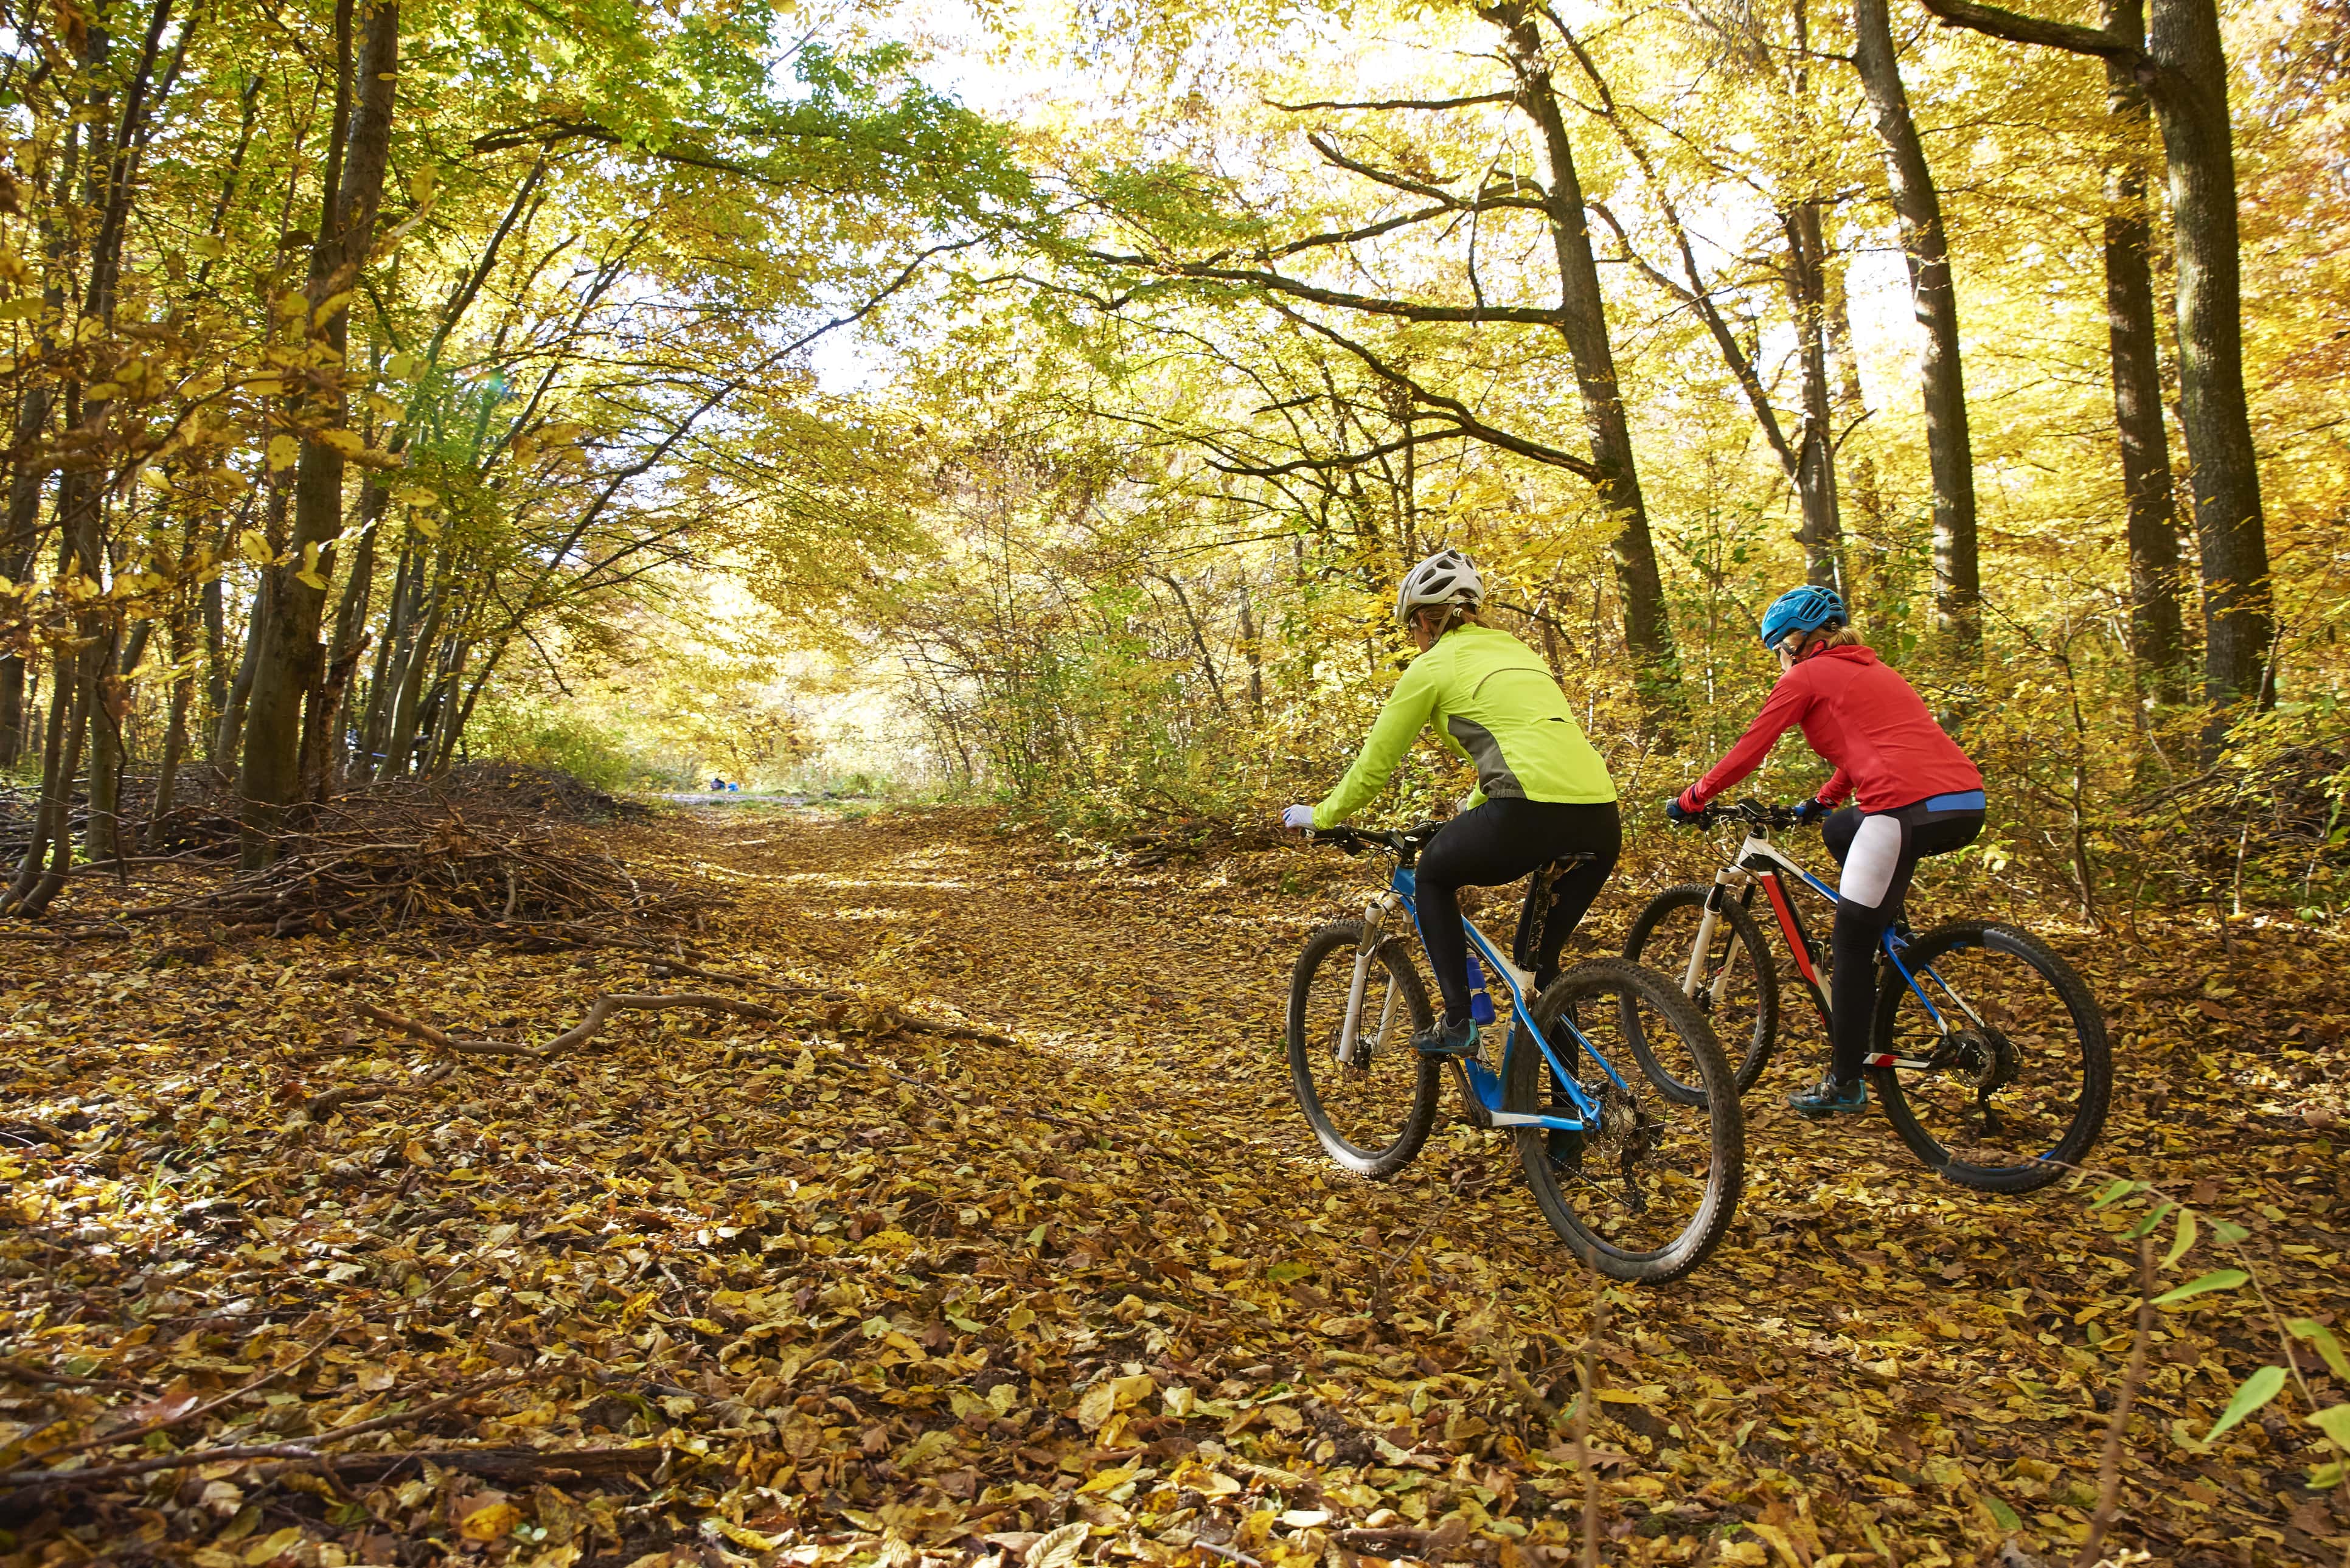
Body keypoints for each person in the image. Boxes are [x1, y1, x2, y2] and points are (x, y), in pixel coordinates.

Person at [1281, 548, 1620, 1058]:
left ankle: (1459, 1021)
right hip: (1599, 815)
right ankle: (1566, 1129)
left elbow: (1374, 766)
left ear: (1422, 619)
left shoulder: (1432, 666)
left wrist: (1323, 814)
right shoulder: (1519, 652)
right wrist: (1471, 810)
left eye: (1411, 628)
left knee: (1433, 875)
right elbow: (1527, 744)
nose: (1414, 638)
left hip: (1526, 810)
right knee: (1541, 972)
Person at [1666, 586, 1984, 1115]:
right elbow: (1873, 746)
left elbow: (1750, 750)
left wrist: (1693, 797)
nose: (1779, 659)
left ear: (1797, 640)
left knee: (1850, 945)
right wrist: (1822, 801)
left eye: (1778, 648)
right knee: (1839, 829)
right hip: (1963, 803)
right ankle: (1896, 934)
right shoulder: (1875, 671)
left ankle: (1845, 1081)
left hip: (1902, 809)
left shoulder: (1805, 676)